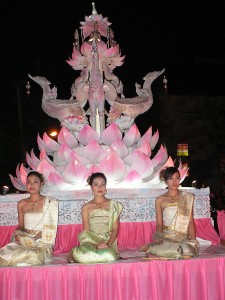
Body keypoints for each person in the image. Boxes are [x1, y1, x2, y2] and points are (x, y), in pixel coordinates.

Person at [0, 171, 59, 266]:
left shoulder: (50, 203)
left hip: (41, 241)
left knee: (34, 256)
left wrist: (35, 238)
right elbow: (21, 227)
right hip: (25, 239)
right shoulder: (21, 204)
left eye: (35, 181)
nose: (31, 185)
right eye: (28, 182)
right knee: (6, 254)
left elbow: (50, 230)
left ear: (41, 183)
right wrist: (19, 236)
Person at [139, 167, 199, 259]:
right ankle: (152, 247)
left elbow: (190, 222)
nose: (174, 181)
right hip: (167, 237)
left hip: (183, 237)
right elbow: (159, 224)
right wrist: (159, 238)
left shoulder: (187, 197)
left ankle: (153, 249)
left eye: (177, 178)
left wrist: (194, 240)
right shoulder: (160, 200)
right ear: (165, 180)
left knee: (187, 253)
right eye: (171, 178)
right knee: (165, 248)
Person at [67, 172, 123, 263]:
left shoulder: (114, 205)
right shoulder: (86, 207)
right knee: (84, 254)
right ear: (91, 188)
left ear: (106, 187)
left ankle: (77, 255)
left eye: (102, 184)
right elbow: (86, 231)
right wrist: (93, 244)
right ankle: (75, 253)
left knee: (110, 256)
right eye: (96, 185)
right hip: (91, 241)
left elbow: (115, 229)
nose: (100, 187)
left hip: (108, 241)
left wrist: (108, 244)